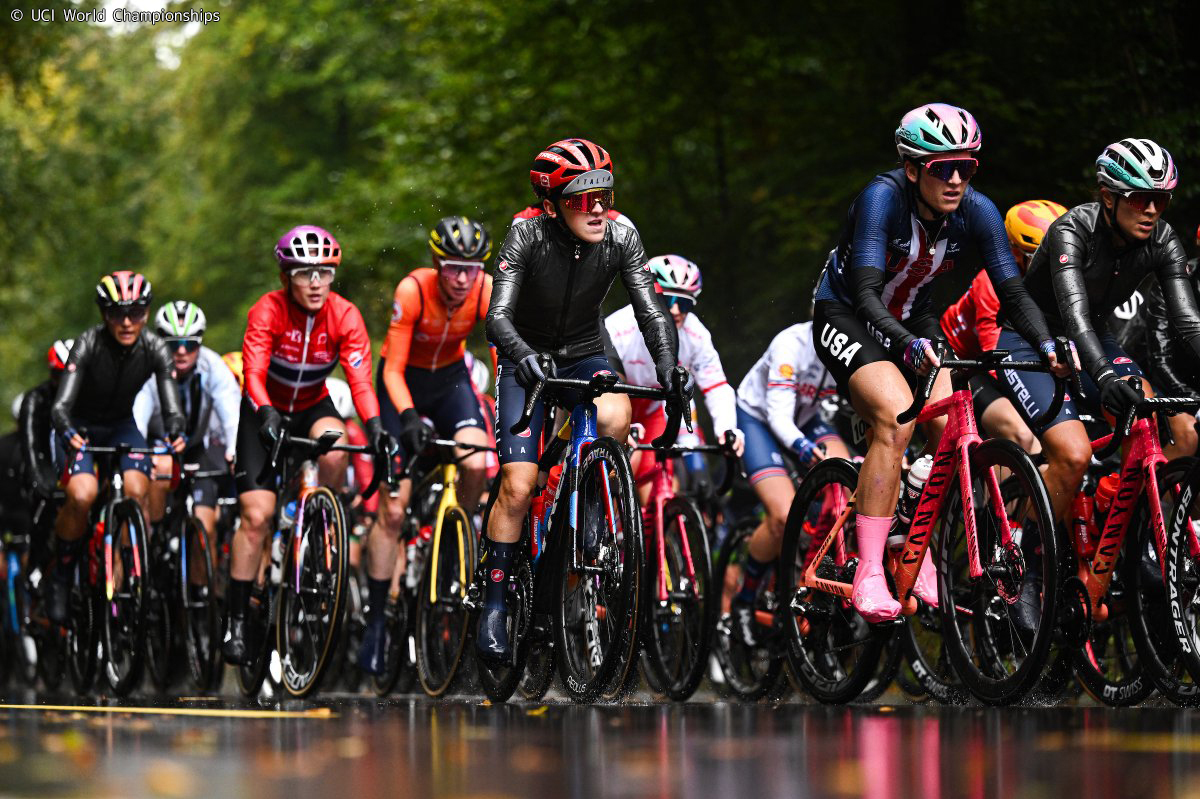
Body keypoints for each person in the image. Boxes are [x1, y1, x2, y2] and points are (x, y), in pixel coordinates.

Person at [810, 104, 1064, 623]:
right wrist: (901, 343)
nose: (954, 180)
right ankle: (869, 574)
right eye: (941, 167)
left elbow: (1013, 293)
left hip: (913, 315)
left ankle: (913, 542)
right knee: (897, 416)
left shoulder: (978, 209)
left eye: (965, 167)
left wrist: (1049, 345)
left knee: (952, 428)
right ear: (912, 169)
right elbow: (864, 292)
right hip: (850, 311)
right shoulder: (882, 199)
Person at [478, 137, 689, 661]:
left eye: (605, 196)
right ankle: (496, 604)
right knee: (519, 481)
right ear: (551, 205)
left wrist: (668, 366)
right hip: (524, 355)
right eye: (581, 198)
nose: (597, 209)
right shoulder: (526, 233)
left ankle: (587, 509)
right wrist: (522, 355)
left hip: (585, 351)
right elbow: (496, 317)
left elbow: (650, 309)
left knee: (616, 412)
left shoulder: (621, 234)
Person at [997, 139, 1200, 626]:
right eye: (1138, 197)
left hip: (1096, 336)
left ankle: (1128, 532)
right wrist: (1105, 376)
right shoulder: (1073, 230)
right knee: (1072, 454)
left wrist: (1109, 369)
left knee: (1173, 431)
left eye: (1161, 198)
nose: (1151, 209)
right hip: (1033, 338)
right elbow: (1074, 314)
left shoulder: (1163, 238)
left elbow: (1188, 322)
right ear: (1108, 197)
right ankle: (1025, 567)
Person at [224, 225, 393, 664]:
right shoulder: (267, 311)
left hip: (313, 405)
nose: (316, 282)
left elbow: (359, 382)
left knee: (336, 449)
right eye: (305, 273)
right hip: (265, 409)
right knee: (256, 517)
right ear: (286, 278)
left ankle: (321, 519)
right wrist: (265, 413)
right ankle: (237, 621)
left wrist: (374, 425)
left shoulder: (344, 315)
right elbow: (254, 375)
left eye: (325, 272)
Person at [358, 216, 494, 674]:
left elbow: (501, 351)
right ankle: (376, 620)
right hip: (404, 383)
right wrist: (410, 417)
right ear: (438, 264)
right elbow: (392, 369)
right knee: (393, 510)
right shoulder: (413, 290)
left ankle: (456, 544)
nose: (462, 278)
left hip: (452, 381)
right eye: (454, 268)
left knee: (478, 461)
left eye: (471, 269)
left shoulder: (485, 289)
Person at [46, 271, 186, 622]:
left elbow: (172, 408)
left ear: (147, 313)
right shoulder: (88, 343)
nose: (126, 322)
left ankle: (131, 572)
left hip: (122, 427)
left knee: (139, 489)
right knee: (82, 495)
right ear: (103, 315)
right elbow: (60, 406)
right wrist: (66, 432)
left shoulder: (155, 348)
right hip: (80, 427)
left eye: (136, 312)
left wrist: (175, 430)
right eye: (115, 313)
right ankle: (61, 575)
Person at [728, 322, 848, 645]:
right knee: (783, 516)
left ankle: (818, 575)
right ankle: (744, 600)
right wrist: (803, 448)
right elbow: (779, 416)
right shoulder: (791, 343)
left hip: (806, 418)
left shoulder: (852, 345)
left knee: (850, 482)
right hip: (759, 418)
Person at [604, 254, 743, 504]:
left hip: (655, 408)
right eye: (669, 300)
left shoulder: (696, 335)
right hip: (619, 402)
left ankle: (656, 537)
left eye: (685, 304)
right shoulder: (620, 325)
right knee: (614, 481)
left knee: (657, 496)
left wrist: (726, 428)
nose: (677, 310)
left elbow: (717, 386)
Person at [940, 199, 1069, 453]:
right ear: (1015, 252)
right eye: (1039, 258)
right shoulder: (990, 283)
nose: (1053, 269)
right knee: (1021, 436)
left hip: (1008, 360)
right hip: (964, 363)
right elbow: (997, 355)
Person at [134, 301, 240, 548]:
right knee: (161, 470)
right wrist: (138, 450)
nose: (182, 351)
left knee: (205, 527)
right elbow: (138, 414)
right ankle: (157, 536)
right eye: (174, 344)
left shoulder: (213, 366)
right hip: (158, 443)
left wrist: (233, 449)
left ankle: (200, 587)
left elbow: (230, 412)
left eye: (190, 344)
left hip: (195, 445)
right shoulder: (147, 367)